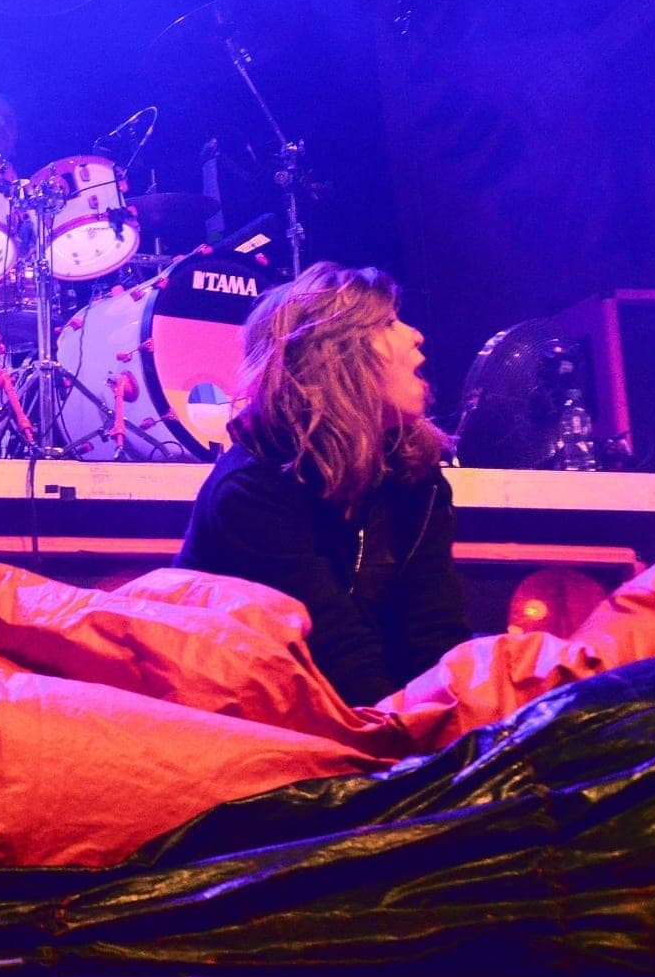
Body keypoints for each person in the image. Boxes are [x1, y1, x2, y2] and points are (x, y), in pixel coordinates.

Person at [173, 262, 472, 707]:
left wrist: (464, 718)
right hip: (254, 719)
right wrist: (423, 735)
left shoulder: (415, 474)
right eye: (388, 323)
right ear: (336, 354)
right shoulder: (253, 488)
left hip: (364, 714)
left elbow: (435, 631)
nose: (415, 335)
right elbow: (338, 660)